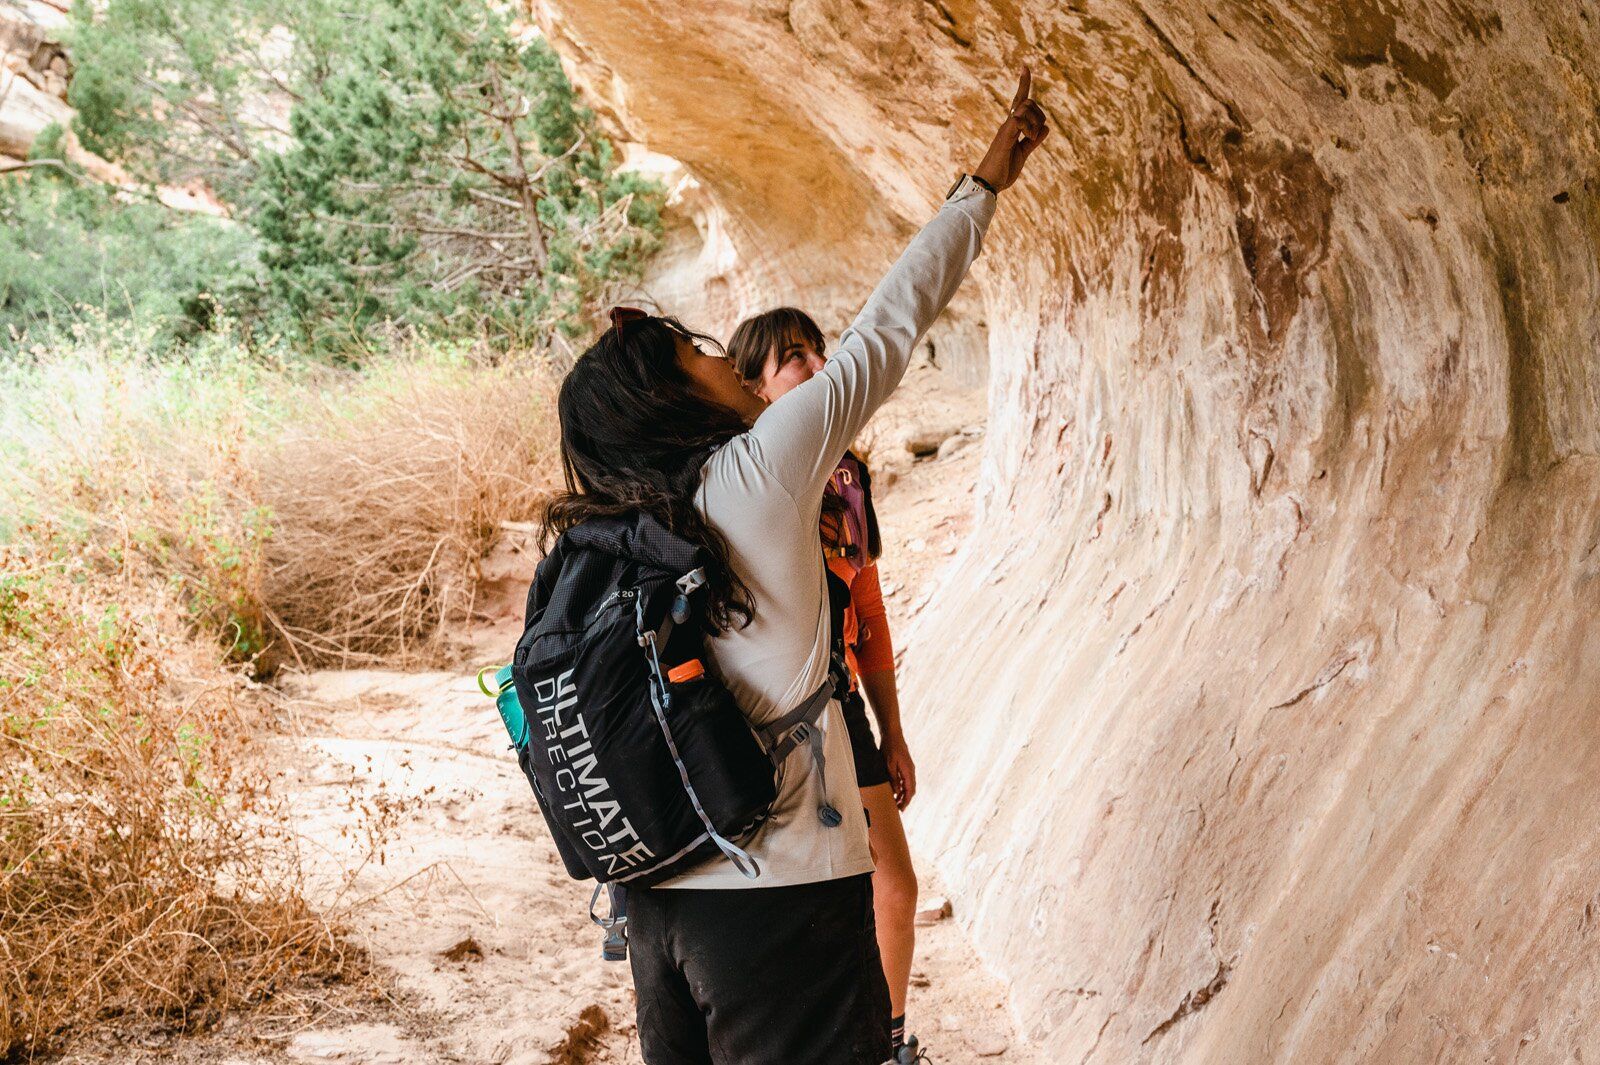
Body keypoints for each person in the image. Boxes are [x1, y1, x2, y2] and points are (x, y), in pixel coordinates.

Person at [541, 68, 1046, 1065]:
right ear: (662, 397)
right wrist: (984, 180)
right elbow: (892, 324)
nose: (720, 359)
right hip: (782, 896)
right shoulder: (761, 468)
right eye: (693, 352)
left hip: (659, 905)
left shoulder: (602, 523)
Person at [728, 307, 925, 1062]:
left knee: (893, 883)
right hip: (772, 707)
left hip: (841, 701)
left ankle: (891, 1040)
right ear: (754, 387)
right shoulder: (745, 473)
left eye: (818, 352)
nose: (816, 368)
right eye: (793, 360)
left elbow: (867, 612)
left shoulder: (847, 473)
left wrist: (893, 730)